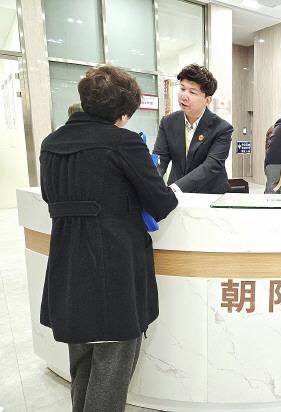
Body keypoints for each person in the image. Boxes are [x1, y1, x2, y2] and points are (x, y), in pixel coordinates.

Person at [39, 65, 178, 412]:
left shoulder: (51, 144)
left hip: (68, 269)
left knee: (82, 363)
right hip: (114, 273)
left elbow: (49, 196)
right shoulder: (124, 143)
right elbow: (162, 202)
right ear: (123, 113)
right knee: (112, 368)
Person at [154, 64, 233, 194]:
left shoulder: (222, 128)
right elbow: (160, 159)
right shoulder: (168, 122)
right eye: (182, 88)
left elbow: (211, 166)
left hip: (209, 195)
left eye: (192, 92)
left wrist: (176, 188)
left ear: (207, 100)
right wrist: (150, 183)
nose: (184, 96)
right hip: (176, 196)